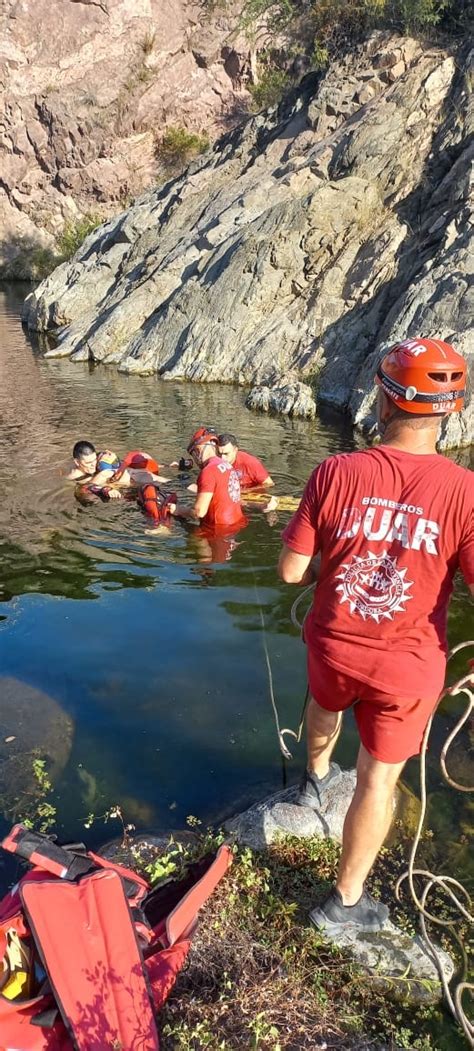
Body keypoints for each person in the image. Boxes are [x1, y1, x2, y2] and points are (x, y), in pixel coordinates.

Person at [278, 338, 474, 934]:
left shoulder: (335, 471)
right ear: (454, 409)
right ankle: (344, 901)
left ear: (384, 400)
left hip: (333, 642)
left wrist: (328, 566)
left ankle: (313, 782)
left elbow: (290, 571)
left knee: (323, 704)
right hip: (409, 667)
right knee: (377, 779)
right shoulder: (466, 493)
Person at [171, 428, 246, 531]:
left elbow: (199, 512)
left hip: (218, 529)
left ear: (197, 451)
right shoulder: (227, 465)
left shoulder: (208, 471)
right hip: (236, 523)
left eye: (193, 453)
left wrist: (178, 509)